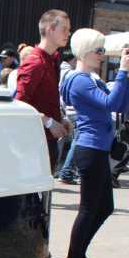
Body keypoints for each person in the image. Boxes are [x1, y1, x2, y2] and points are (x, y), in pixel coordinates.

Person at [60, 29, 129, 258]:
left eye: (102, 50)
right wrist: (122, 71)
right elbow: (112, 104)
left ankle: (79, 255)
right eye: (98, 50)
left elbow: (121, 104)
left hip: (97, 148)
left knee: (105, 207)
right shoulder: (81, 80)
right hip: (91, 149)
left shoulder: (91, 79)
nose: (102, 54)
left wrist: (126, 76)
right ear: (84, 51)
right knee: (89, 209)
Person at [15, 9, 73, 173]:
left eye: (68, 30)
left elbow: (47, 98)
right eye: (64, 29)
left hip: (46, 141)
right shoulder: (35, 62)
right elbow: (19, 105)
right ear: (49, 29)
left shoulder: (53, 59)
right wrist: (49, 122)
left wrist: (60, 117)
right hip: (33, 144)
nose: (68, 34)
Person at [57, 48, 80, 184]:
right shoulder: (71, 73)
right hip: (70, 110)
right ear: (74, 59)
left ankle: (57, 169)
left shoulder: (57, 70)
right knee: (75, 141)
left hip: (60, 109)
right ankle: (66, 171)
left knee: (60, 140)